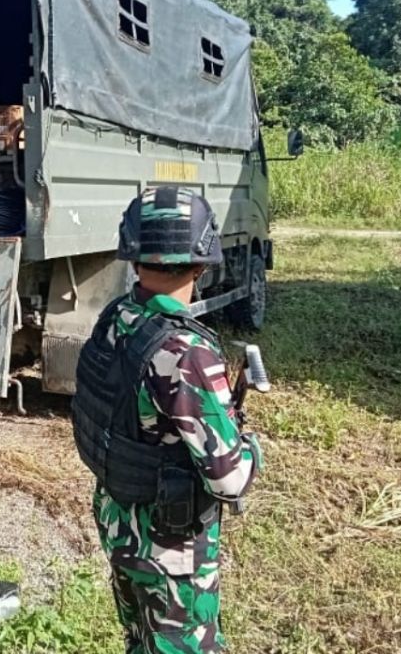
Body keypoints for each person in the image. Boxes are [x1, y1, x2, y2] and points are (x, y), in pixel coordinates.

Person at [71, 186, 263, 654]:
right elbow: (229, 480)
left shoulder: (116, 318)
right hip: (171, 547)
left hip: (120, 523)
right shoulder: (185, 352)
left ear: (133, 258)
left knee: (140, 640)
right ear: (201, 264)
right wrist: (253, 445)